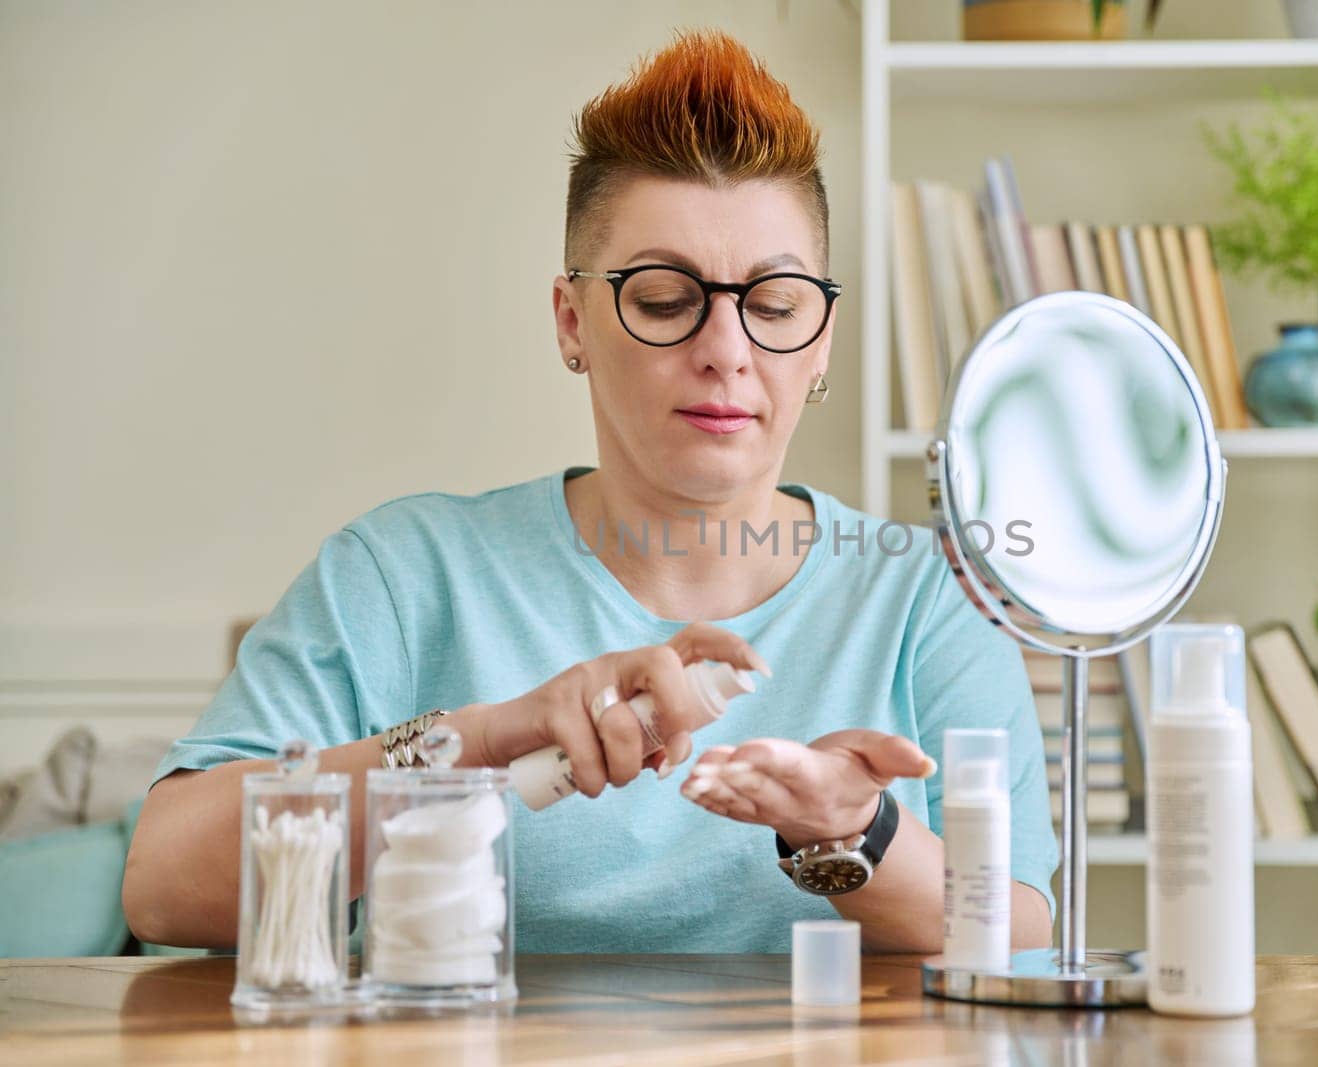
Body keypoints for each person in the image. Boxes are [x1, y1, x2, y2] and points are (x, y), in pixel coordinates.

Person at [123, 30, 1057, 954]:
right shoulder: (404, 575)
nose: (727, 350)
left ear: (819, 340)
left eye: (773, 306)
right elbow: (162, 887)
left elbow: (1018, 928)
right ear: (573, 321)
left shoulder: (922, 599)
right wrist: (482, 739)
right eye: (663, 299)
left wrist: (848, 831)